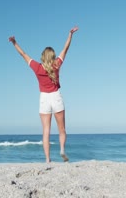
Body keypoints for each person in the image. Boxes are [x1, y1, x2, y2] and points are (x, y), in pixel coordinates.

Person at [9, 26, 79, 163]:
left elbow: (23, 54)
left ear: (42, 57)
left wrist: (14, 42)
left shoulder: (37, 67)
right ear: (52, 56)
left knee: (46, 130)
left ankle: (47, 159)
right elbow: (66, 49)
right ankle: (62, 150)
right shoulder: (56, 65)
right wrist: (70, 35)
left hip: (44, 99)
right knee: (62, 129)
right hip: (56, 96)